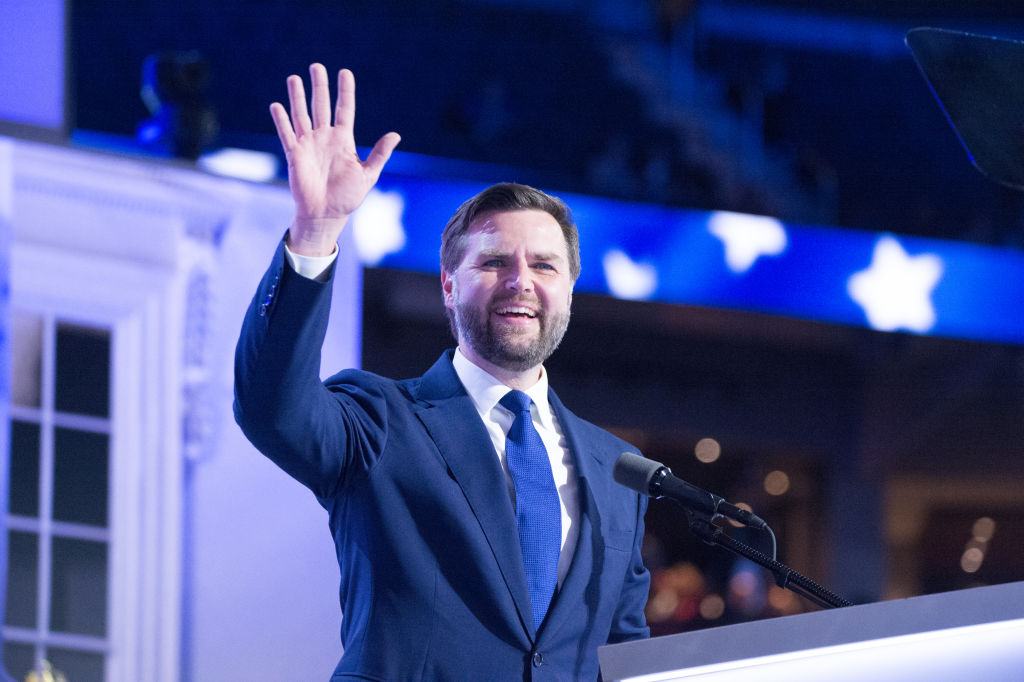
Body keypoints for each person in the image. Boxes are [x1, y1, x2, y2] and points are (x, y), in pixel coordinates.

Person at [234, 63, 650, 681]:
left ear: (569, 290)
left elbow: (624, 655)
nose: (521, 281)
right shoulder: (377, 420)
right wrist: (316, 231)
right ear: (449, 287)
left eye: (544, 265)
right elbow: (271, 409)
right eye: (494, 262)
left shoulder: (620, 472)